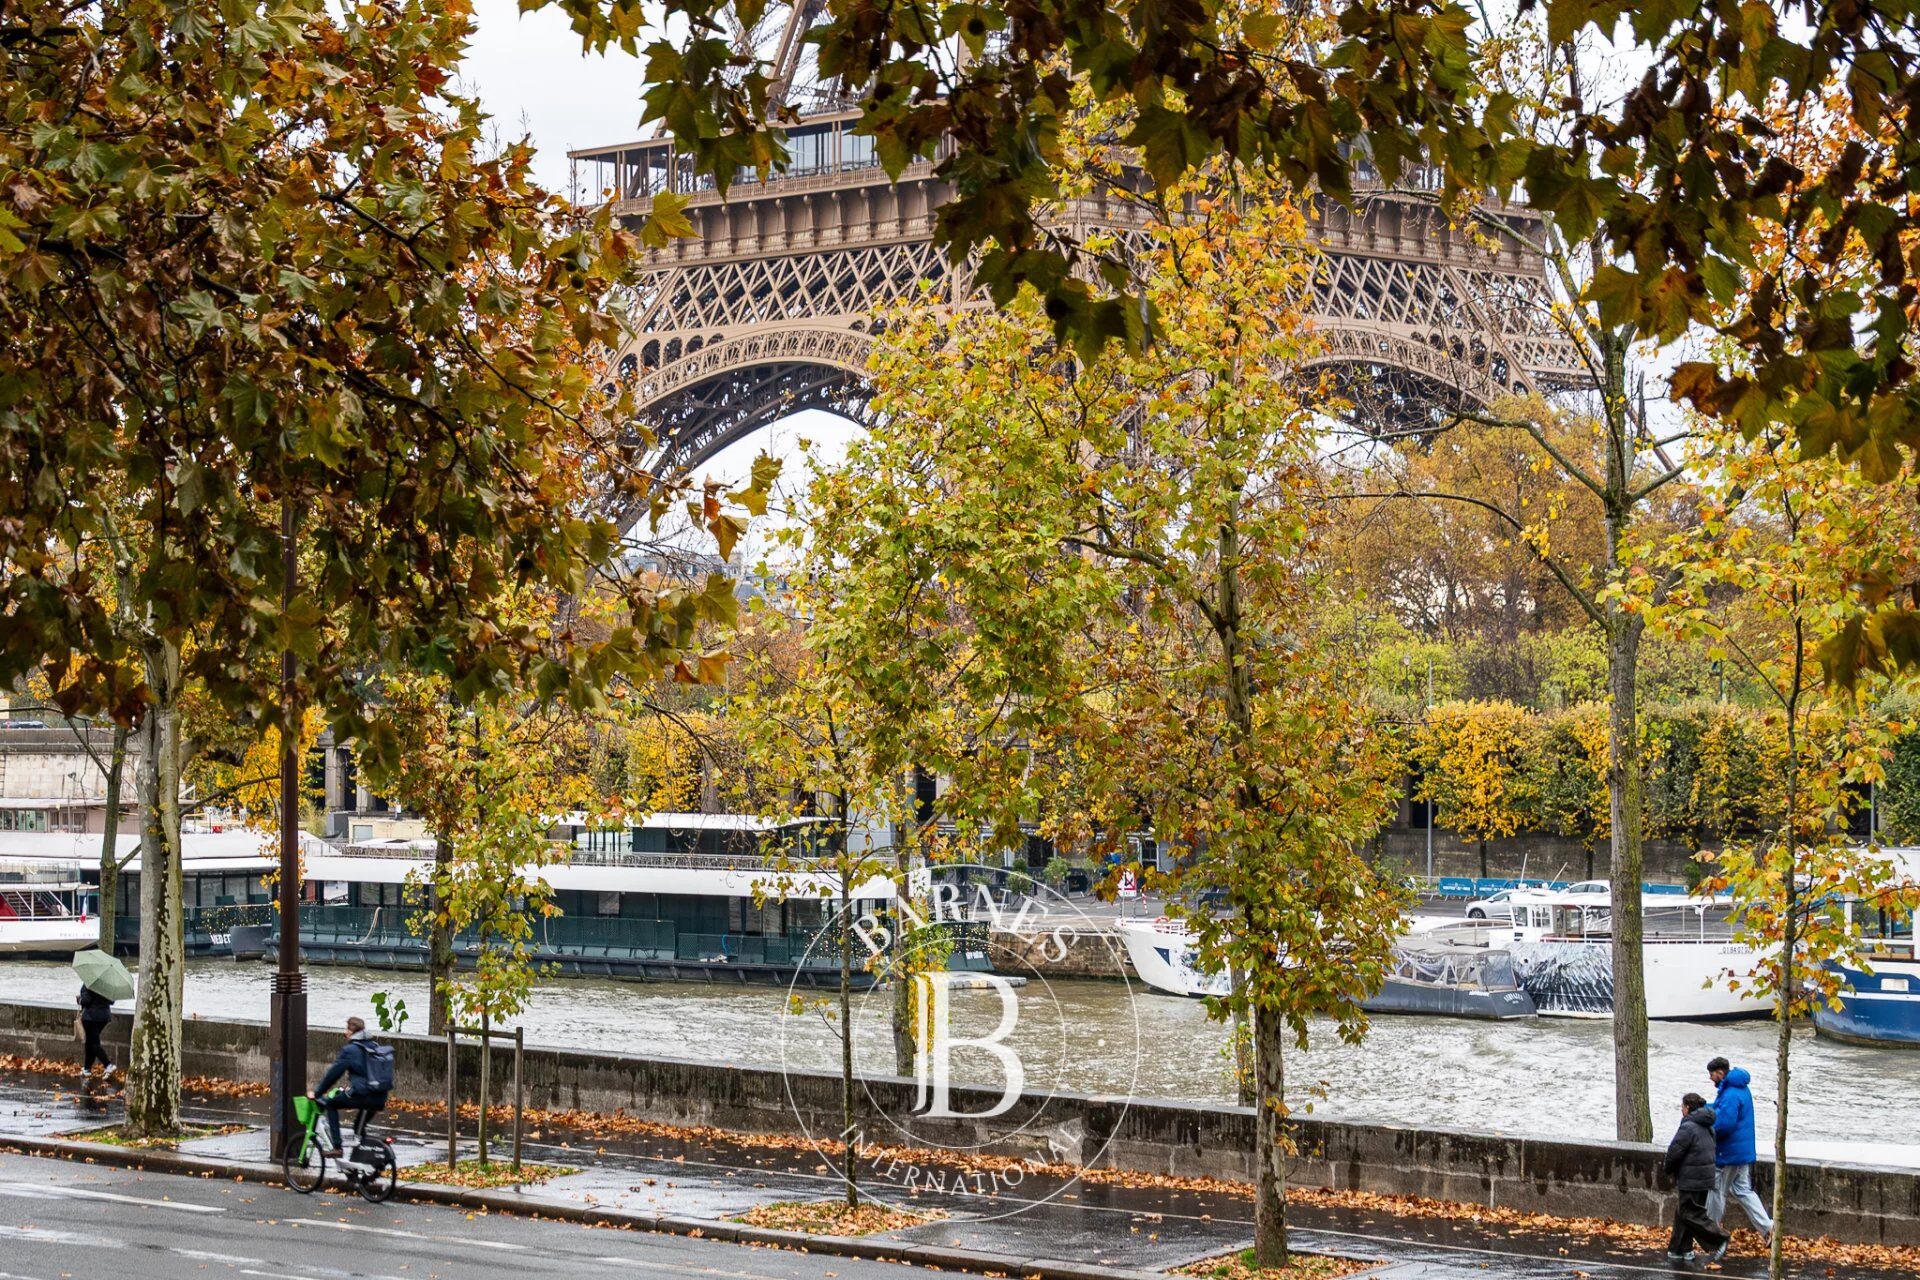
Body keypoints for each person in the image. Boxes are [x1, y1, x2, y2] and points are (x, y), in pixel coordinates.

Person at [1706, 1056, 1773, 1241]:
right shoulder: (1739, 1089)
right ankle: (1768, 1228)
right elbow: (1721, 1110)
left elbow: (1724, 1123)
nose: (1710, 1078)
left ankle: (1711, 1231)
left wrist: (1707, 1128)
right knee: (1742, 1190)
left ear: (1720, 1073)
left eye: (1711, 1074)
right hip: (1742, 1152)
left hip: (1728, 1153)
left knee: (1716, 1189)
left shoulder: (1730, 1094)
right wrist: (1704, 1107)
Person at [308, 1017, 393, 1157]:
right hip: (380, 1096)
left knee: (331, 1105)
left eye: (347, 1029)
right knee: (358, 1128)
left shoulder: (350, 1050)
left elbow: (333, 1075)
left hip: (363, 1095)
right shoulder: (373, 1046)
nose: (345, 1032)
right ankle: (366, 1162)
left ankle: (337, 1147)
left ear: (351, 1032)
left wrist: (318, 1092)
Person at [1665, 1091, 1731, 1264]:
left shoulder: (1688, 1126)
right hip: (1705, 1177)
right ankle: (1680, 1249)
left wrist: (1668, 1168)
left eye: (1682, 1106)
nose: (1681, 1110)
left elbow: (1675, 1151)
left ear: (1687, 1108)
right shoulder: (1708, 1126)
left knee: (1689, 1213)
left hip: (1691, 1177)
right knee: (1684, 1212)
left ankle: (1719, 1237)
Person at [75, 983, 115, 1079]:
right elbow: (111, 1001)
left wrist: (80, 999)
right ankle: (87, 1069)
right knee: (90, 1042)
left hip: (91, 1017)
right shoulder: (108, 984)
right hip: (104, 1017)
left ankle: (108, 1065)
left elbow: (86, 1000)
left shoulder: (90, 983)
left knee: (93, 1044)